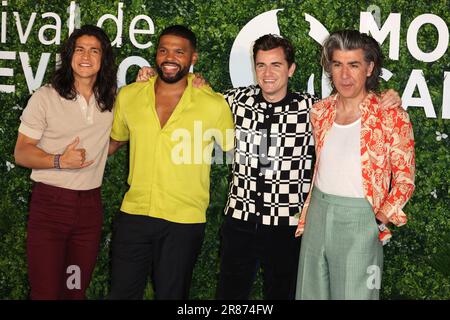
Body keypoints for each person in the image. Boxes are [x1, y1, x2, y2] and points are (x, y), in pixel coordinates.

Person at [136, 33, 401, 300]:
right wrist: (154, 78)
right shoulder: (234, 102)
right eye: (261, 65)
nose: (268, 73)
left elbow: (355, 101)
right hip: (240, 221)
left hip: (287, 225)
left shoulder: (313, 108)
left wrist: (387, 97)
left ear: (291, 69)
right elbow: (190, 92)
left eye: (276, 65)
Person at [107, 25, 234, 300]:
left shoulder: (213, 104)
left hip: (183, 220)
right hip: (134, 214)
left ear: (193, 58)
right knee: (121, 293)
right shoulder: (129, 96)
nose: (169, 57)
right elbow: (114, 141)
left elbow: (232, 148)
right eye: (163, 50)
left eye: (179, 51)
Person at [295, 30, 415, 300]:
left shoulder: (390, 115)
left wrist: (377, 219)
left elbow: (405, 180)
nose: (345, 75)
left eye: (354, 65)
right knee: (308, 293)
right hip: (317, 213)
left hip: (361, 218)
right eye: (337, 65)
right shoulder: (319, 111)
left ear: (369, 68)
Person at [14, 25, 117, 299]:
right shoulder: (46, 96)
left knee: (74, 290)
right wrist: (60, 161)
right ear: (69, 55)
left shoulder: (111, 100)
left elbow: (113, 140)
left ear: (103, 58)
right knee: (46, 293)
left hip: (88, 211)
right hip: (50, 208)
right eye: (79, 49)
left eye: (94, 50)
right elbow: (22, 152)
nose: (86, 56)